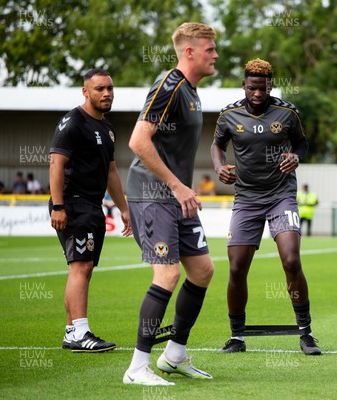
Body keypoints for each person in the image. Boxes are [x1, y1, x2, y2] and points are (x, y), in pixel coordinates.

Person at [123, 22, 218, 386]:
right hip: (152, 195)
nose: (216, 56)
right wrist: (178, 186)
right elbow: (137, 140)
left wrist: (181, 190)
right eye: (210, 49)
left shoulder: (192, 92)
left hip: (176, 197)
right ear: (189, 51)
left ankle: (174, 355)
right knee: (168, 273)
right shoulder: (169, 85)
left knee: (203, 271)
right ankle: (136, 368)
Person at [211, 58, 321, 356]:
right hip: (246, 199)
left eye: (262, 88)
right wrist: (220, 167)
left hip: (281, 196)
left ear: (270, 86)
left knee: (291, 260)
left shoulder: (287, 113)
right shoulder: (228, 115)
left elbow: (302, 143)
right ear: (243, 85)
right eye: (251, 88)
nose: (257, 94)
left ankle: (306, 333)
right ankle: (237, 336)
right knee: (236, 267)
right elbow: (217, 145)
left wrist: (296, 157)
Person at [49, 68, 132, 353]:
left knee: (82, 268)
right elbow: (56, 164)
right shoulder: (73, 122)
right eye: (99, 89)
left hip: (92, 205)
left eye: (109, 88)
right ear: (85, 91)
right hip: (73, 203)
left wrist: (123, 208)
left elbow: (111, 171)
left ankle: (73, 331)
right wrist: (58, 206)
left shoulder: (107, 129)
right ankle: (80, 332)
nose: (106, 93)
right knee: (81, 267)